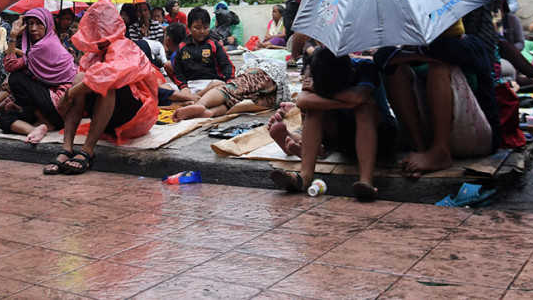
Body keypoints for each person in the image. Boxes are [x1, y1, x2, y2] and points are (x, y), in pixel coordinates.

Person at [43, 0, 159, 175]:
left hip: (135, 116)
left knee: (107, 83)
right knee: (80, 78)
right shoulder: (91, 55)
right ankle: (67, 148)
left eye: (101, 25)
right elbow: (82, 81)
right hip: (108, 118)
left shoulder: (125, 46)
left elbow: (107, 76)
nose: (97, 30)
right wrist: (71, 94)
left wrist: (68, 95)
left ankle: (88, 150)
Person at [270, 48, 397, 201]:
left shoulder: (366, 67)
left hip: (380, 136)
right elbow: (302, 101)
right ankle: (305, 176)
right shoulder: (318, 66)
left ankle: (366, 181)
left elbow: (358, 97)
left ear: (352, 73)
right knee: (315, 109)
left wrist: (327, 94)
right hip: (341, 137)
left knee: (364, 108)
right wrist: (346, 102)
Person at [376, 20, 499, 176]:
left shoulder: (472, 45)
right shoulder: (416, 50)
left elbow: (443, 48)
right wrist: (417, 55)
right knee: (396, 70)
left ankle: (440, 152)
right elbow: (381, 57)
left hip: (476, 136)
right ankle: (420, 148)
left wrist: (418, 52)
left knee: (439, 68)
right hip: (429, 136)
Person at [0, 7, 77, 143]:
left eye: (39, 23)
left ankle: (43, 121)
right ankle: (34, 129)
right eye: (30, 24)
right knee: (3, 118)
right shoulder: (46, 44)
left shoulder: (45, 46)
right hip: (50, 109)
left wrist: (13, 36)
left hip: (59, 107)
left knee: (16, 78)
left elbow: (10, 66)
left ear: (48, 25)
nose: (33, 28)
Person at [174, 57, 290, 120]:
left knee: (228, 89)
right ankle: (209, 112)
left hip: (268, 76)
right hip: (276, 99)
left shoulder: (258, 68)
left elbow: (229, 83)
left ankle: (201, 104)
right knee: (232, 104)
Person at [171, 7, 235, 92]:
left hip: (212, 85)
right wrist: (183, 86)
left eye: (206, 28)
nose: (202, 31)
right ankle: (194, 97)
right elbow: (178, 71)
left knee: (219, 85)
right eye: (197, 28)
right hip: (190, 86)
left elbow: (227, 65)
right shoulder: (182, 47)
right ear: (188, 27)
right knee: (164, 88)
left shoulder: (214, 45)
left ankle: (192, 98)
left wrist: (229, 81)